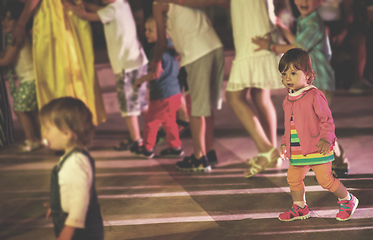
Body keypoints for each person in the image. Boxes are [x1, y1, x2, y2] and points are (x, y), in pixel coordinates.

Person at [252, 0, 348, 178]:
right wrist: (280, 26)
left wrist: (270, 46)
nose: (304, 2)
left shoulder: (314, 23)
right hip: (310, 83)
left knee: (321, 124)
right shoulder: (305, 21)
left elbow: (298, 48)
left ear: (319, 2)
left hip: (320, 82)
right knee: (317, 125)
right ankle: (336, 160)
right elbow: (297, 41)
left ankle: (337, 161)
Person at [277, 48, 358, 222]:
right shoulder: (287, 99)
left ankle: (348, 200)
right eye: (284, 74)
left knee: (326, 181)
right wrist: (285, 143)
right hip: (298, 151)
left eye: (293, 72)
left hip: (317, 148)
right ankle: (300, 207)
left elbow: (327, 120)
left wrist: (325, 139)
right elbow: (288, 126)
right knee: (293, 178)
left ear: (307, 75)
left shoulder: (314, 95)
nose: (287, 77)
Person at [148, 1, 226, 171]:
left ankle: (199, 157)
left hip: (196, 54)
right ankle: (209, 152)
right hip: (215, 47)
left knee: (196, 108)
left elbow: (161, 41)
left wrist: (155, 62)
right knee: (206, 106)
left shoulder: (159, 4)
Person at [65, 0, 148, 152]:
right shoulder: (122, 5)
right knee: (140, 102)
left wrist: (71, 7)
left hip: (126, 67)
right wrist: (87, 5)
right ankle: (155, 129)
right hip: (137, 62)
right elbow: (99, 9)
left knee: (128, 106)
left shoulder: (113, 10)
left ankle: (137, 140)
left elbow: (87, 17)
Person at [11, 0, 106, 126]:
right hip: (68, 14)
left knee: (58, 74)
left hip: (54, 18)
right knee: (74, 68)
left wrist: (21, 24)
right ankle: (79, 122)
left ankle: (65, 125)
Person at [40, 97, 104, 239]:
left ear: (67, 133)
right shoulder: (76, 156)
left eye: (48, 128)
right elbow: (74, 189)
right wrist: (58, 204)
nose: (45, 134)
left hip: (80, 232)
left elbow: (80, 199)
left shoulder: (74, 163)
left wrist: (68, 229)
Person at [134, 16, 183, 159]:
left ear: (162, 32)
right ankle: (175, 147)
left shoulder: (157, 50)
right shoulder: (174, 47)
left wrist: (141, 79)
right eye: (145, 30)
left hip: (162, 94)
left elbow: (156, 73)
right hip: (175, 93)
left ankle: (147, 148)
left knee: (151, 121)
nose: (146, 33)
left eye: (150, 30)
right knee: (169, 121)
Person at [1, 0, 41, 152]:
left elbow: (5, 60)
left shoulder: (17, 38)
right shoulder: (16, 38)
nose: (5, 22)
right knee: (32, 110)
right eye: (3, 19)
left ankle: (31, 140)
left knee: (19, 108)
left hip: (29, 80)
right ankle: (40, 137)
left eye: (9, 18)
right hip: (30, 79)